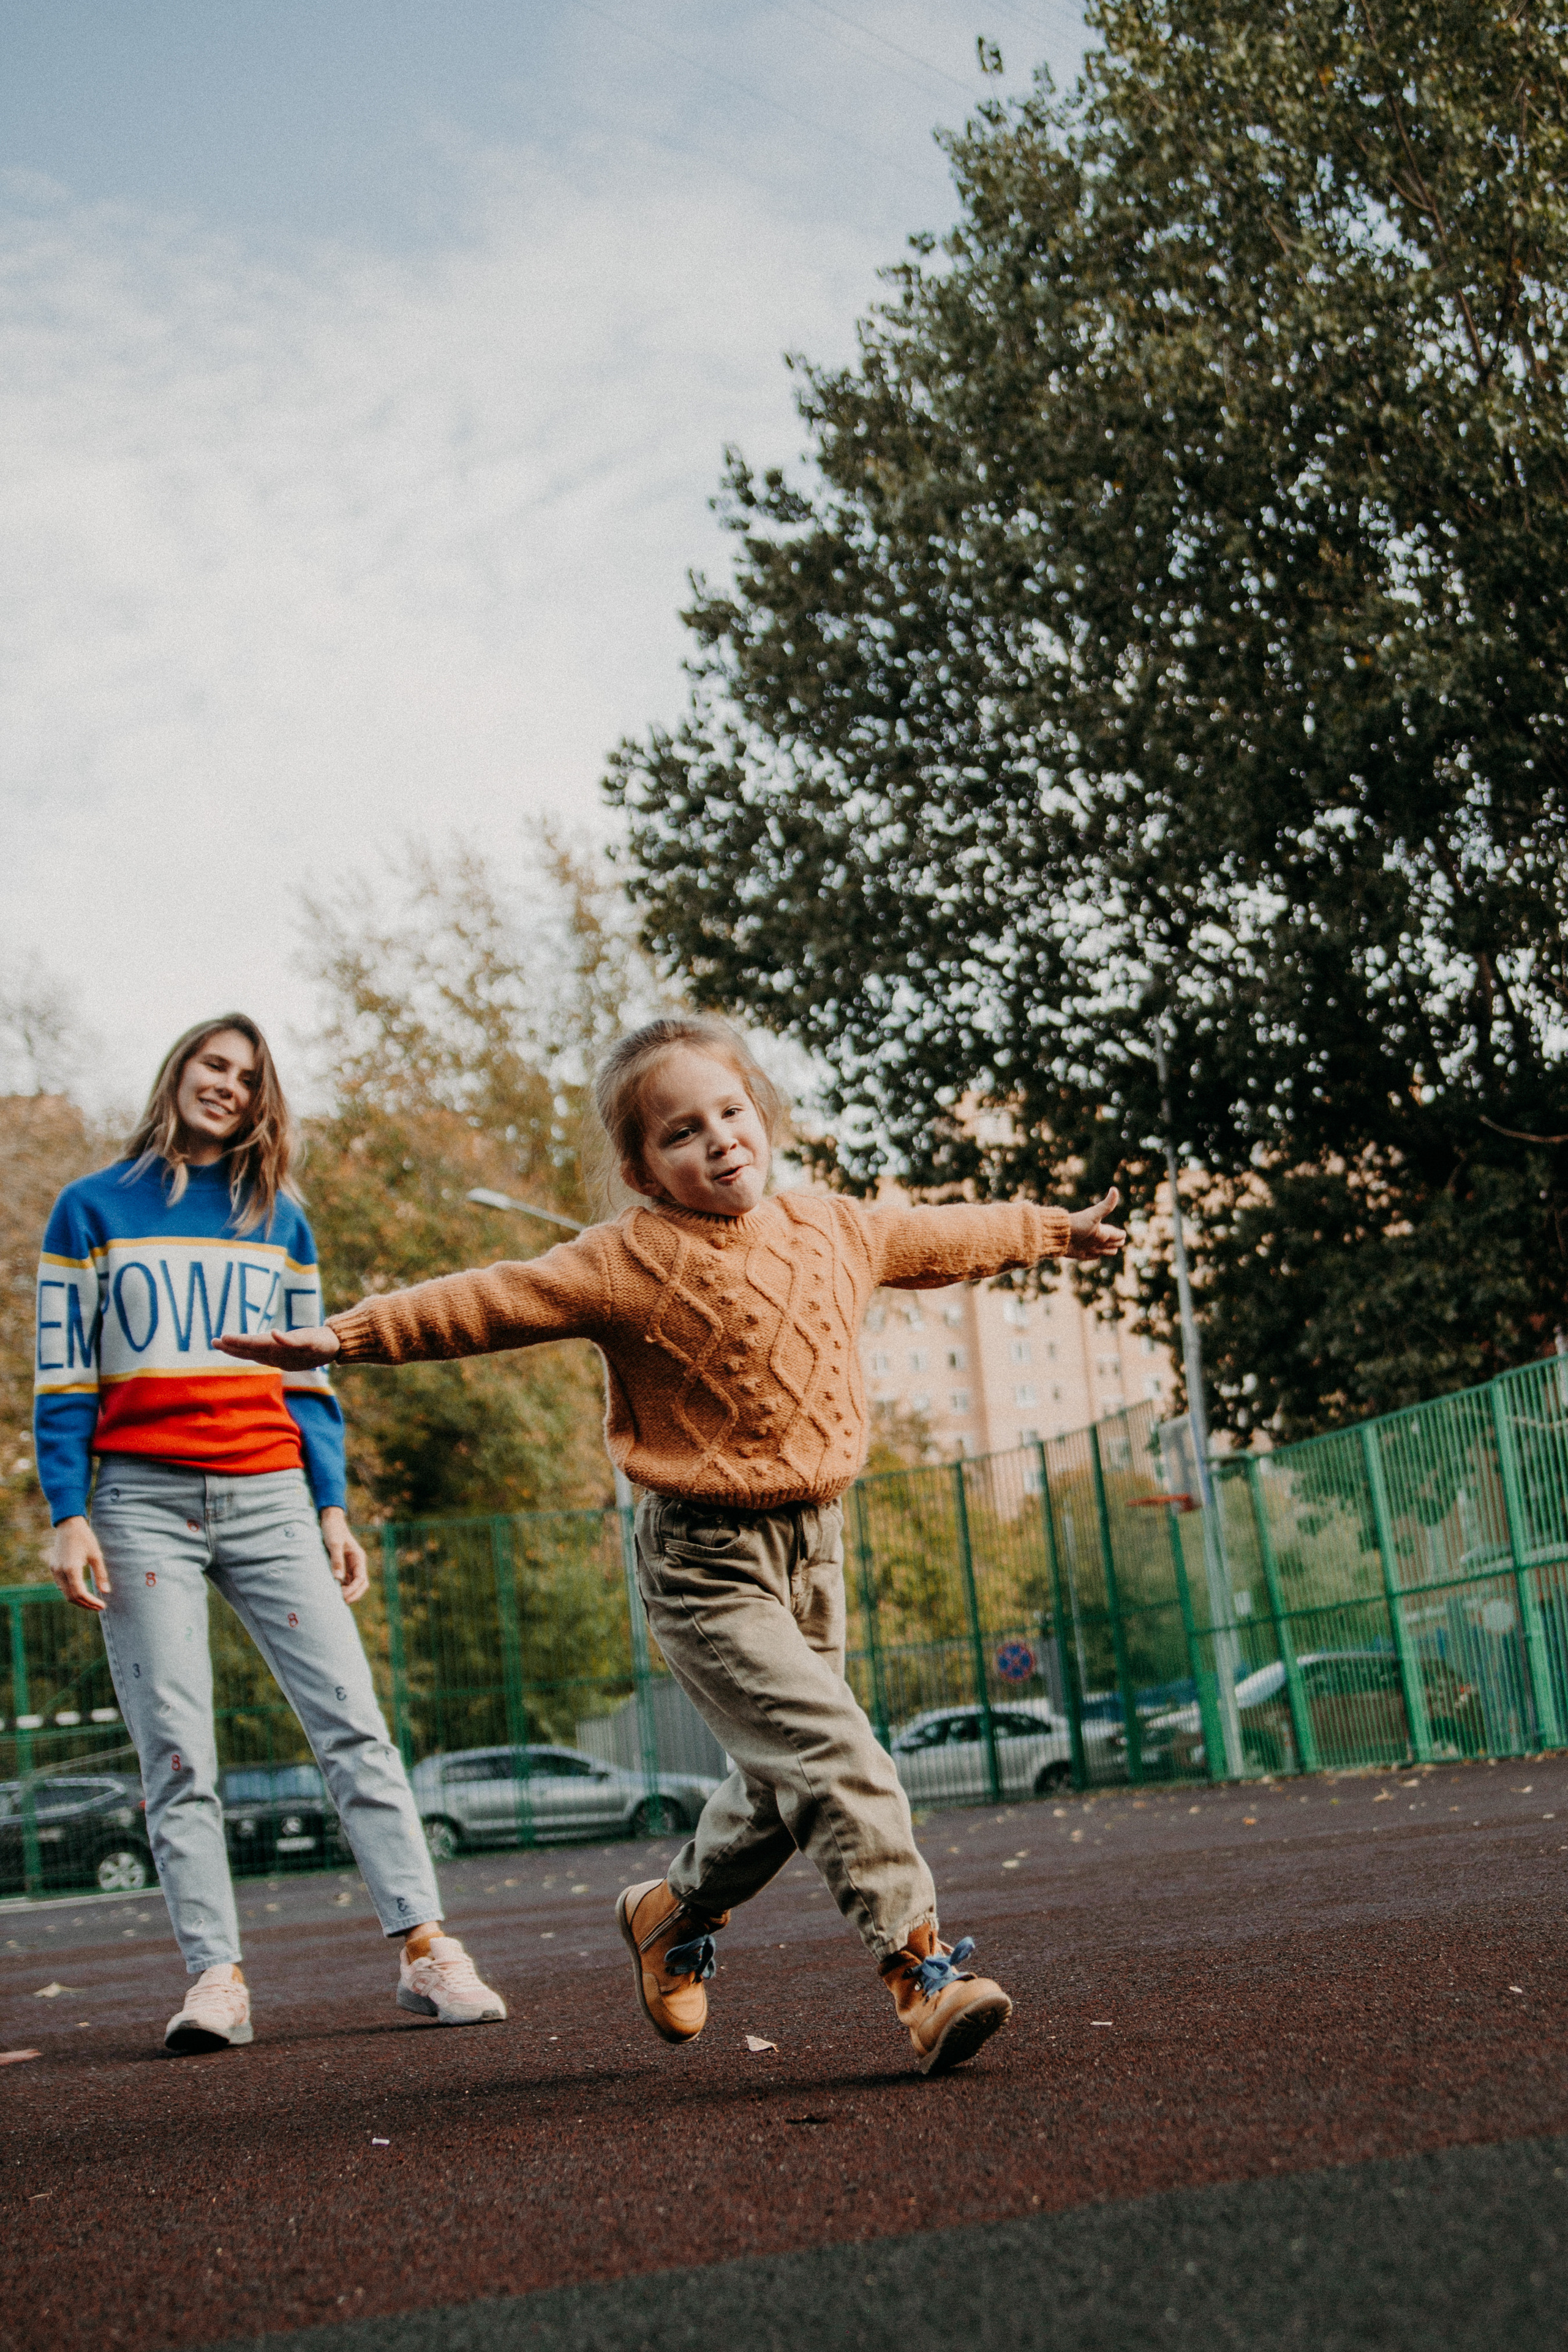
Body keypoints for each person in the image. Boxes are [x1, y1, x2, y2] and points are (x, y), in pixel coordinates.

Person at [222, 1013, 1123, 2076]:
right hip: (704, 1566)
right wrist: (344, 1336)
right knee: (841, 1759)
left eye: (732, 1112)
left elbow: (943, 1233)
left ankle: (670, 1910)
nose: (721, 1139)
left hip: (814, 1551)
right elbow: (493, 1299)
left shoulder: (834, 1228)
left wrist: (1051, 1230)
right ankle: (923, 1974)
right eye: (683, 1131)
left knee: (787, 1788)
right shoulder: (628, 1261)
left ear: (763, 1116)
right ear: (642, 1168)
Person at [35, 1014, 505, 2054]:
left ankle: (427, 1950)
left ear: (262, 1101)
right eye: (215, 1064)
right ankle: (216, 1980)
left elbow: (309, 1378)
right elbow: (62, 1377)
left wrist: (332, 1506)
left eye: (249, 1079)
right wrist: (68, 1514)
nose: (229, 1087)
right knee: (176, 1751)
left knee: (354, 1724)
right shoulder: (88, 1211)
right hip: (138, 1501)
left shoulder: (279, 1219)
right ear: (180, 1069)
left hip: (270, 1496)